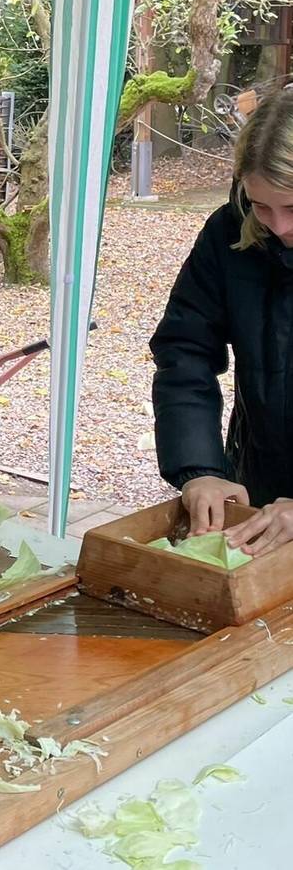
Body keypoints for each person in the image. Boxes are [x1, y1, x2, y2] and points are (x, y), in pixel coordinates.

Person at [151, 86, 293, 557]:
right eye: (261, 205)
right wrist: (200, 468)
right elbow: (184, 352)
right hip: (260, 478)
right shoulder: (228, 234)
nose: (279, 226)